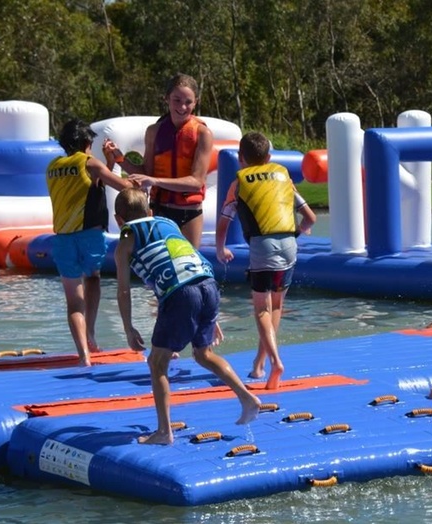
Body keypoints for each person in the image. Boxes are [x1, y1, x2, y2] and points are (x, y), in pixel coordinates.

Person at [113, 187, 261, 444]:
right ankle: (247, 397)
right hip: (208, 284)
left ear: (118, 220)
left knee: (157, 363)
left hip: (182, 292)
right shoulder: (167, 222)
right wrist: (210, 316)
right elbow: (180, 260)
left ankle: (163, 432)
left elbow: (124, 291)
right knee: (204, 354)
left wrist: (128, 327)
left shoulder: (126, 237)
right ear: (150, 212)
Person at [215, 131, 316, 390]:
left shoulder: (238, 182)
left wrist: (220, 248)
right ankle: (259, 364)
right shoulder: (283, 176)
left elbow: (224, 221)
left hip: (262, 246)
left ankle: (275, 361)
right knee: (277, 305)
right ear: (269, 157)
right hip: (289, 246)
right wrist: (301, 230)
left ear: (240, 159)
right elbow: (310, 218)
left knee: (261, 308)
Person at [46, 118, 133, 367]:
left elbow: (88, 184)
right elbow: (122, 185)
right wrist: (116, 161)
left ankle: (83, 354)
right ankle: (91, 334)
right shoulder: (89, 162)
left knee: (73, 302)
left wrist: (104, 165)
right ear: (87, 142)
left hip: (62, 239)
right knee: (93, 278)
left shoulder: (52, 166)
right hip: (89, 236)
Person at [104, 73, 214, 248]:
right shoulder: (154, 132)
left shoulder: (202, 134)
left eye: (188, 101)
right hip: (159, 208)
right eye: (177, 100)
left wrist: (155, 181)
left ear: (196, 102)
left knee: (187, 267)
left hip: (188, 213)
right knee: (159, 265)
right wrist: (118, 157)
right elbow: (146, 174)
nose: (183, 107)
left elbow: (196, 182)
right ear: (167, 99)